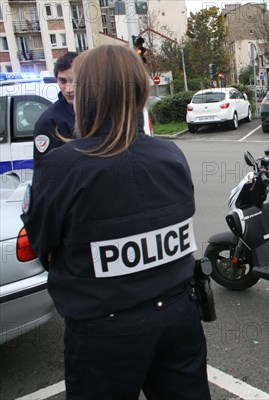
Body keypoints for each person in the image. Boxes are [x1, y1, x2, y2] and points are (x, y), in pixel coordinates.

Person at [21, 45, 211, 399]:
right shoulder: (170, 154)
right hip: (178, 315)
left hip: (104, 329)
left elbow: (41, 241)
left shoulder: (65, 166)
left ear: (88, 93)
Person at [33, 51, 78, 163]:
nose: (69, 89)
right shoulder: (50, 121)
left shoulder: (98, 113)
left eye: (74, 81)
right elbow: (46, 171)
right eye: (63, 81)